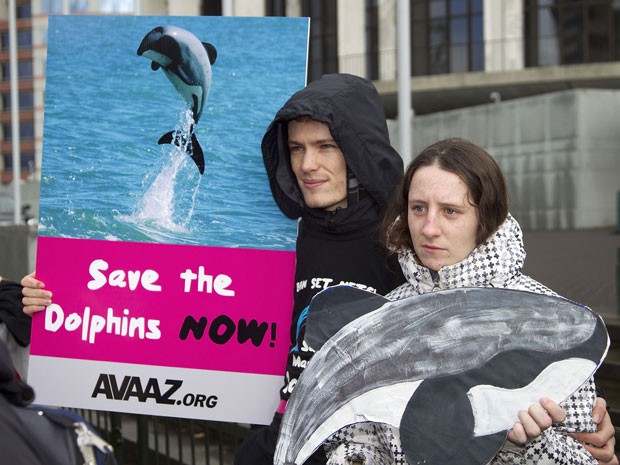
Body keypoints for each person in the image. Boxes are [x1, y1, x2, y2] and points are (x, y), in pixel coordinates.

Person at [22, 73, 408, 465]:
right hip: (277, 444)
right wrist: (58, 300)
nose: (307, 164)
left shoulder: (406, 245)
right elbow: (160, 300)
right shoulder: (281, 238)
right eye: (295, 148)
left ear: (359, 149)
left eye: (325, 146)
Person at [322, 137, 618, 464]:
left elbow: (591, 457)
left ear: (485, 218)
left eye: (451, 211)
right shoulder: (386, 314)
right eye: (419, 208)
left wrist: (530, 447)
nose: (429, 228)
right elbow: (357, 433)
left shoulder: (553, 320)